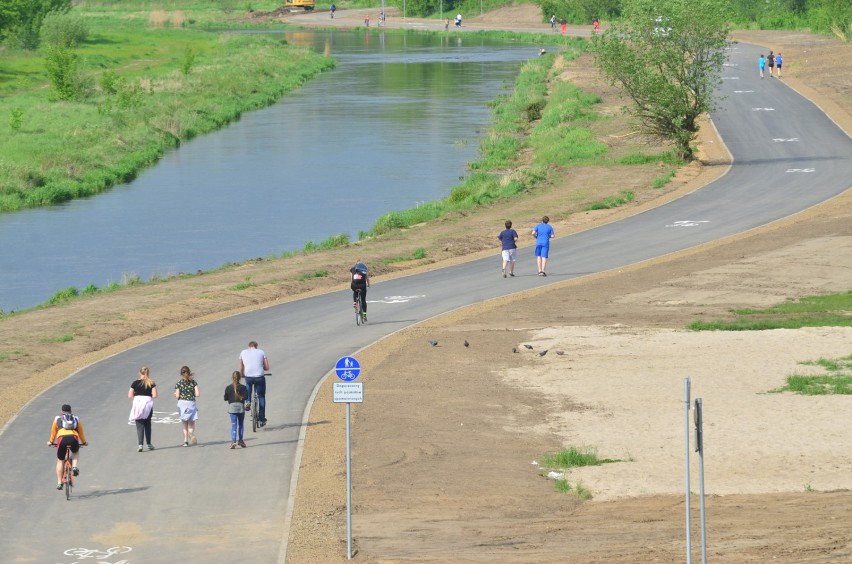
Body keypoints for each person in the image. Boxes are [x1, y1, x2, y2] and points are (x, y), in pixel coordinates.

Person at [47, 404, 87, 490]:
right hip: (73, 438)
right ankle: (74, 467)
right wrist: (84, 442)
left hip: (62, 439)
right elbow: (81, 432)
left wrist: (50, 442)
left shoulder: (57, 418)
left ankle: (59, 483)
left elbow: (53, 432)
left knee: (60, 460)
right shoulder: (76, 418)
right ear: (71, 411)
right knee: (76, 452)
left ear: (61, 412)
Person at [239, 341, 270, 427]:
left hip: (248, 376)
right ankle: (262, 419)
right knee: (261, 396)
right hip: (259, 377)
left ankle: (248, 401)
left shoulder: (243, 352)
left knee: (248, 388)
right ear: (256, 346)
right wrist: (261, 366)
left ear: (248, 346)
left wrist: (241, 374)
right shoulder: (261, 352)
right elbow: (267, 367)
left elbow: (241, 366)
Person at [128, 366, 157, 452]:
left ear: (140, 373)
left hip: (138, 403)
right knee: (147, 424)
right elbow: (155, 395)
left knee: (139, 425)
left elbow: (130, 395)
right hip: (148, 404)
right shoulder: (151, 383)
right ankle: (149, 444)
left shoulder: (135, 383)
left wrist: (137, 397)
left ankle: (140, 445)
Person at [174, 365, 200, 446]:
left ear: (181, 374)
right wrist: (191, 395)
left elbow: (177, 395)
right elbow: (197, 394)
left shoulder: (179, 383)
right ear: (189, 372)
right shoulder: (193, 382)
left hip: (182, 403)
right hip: (191, 403)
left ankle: (185, 441)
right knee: (191, 422)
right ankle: (191, 433)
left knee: (184, 424)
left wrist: (175, 394)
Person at [224, 371, 248, 449]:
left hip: (232, 407)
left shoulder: (228, 387)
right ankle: (240, 440)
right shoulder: (243, 387)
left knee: (234, 425)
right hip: (240, 407)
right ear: (240, 378)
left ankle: (233, 441)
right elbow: (246, 397)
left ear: (232, 377)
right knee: (241, 424)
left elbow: (225, 398)